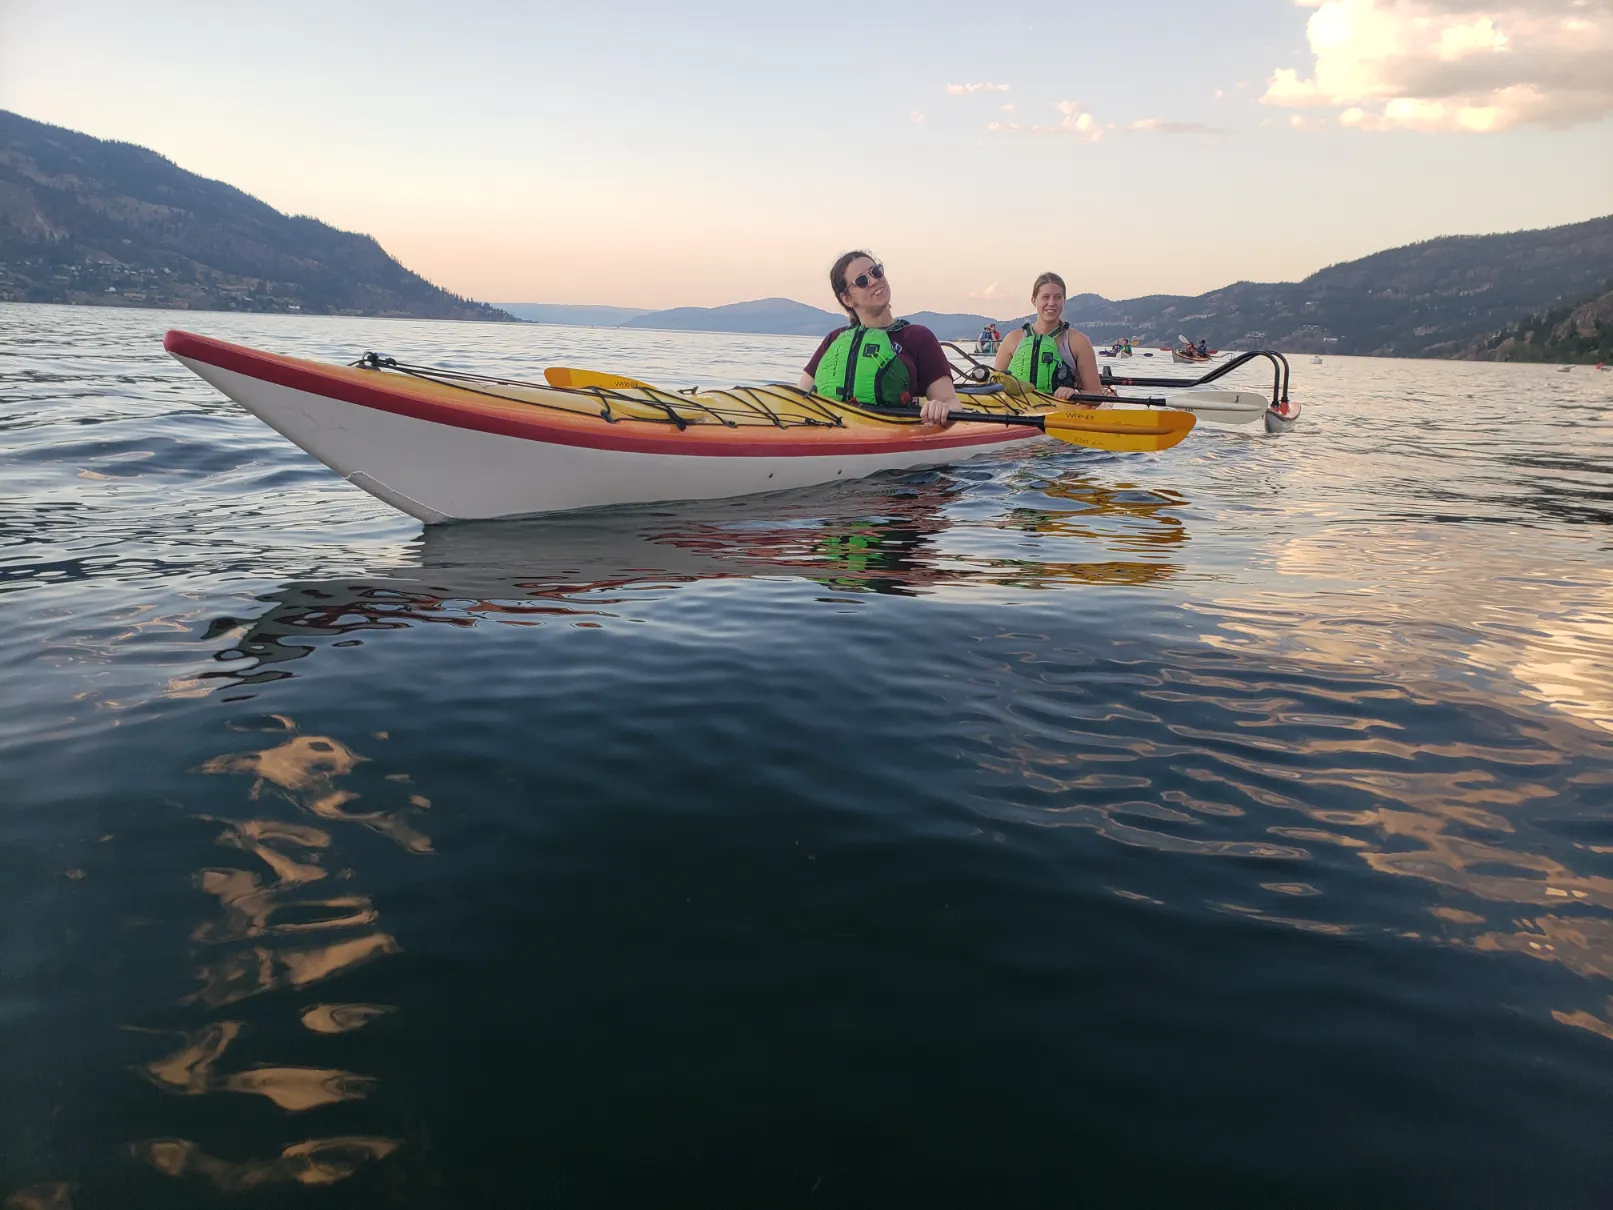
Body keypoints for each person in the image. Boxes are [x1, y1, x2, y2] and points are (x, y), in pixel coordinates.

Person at [800, 251, 960, 426]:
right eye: (862, 281)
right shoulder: (834, 339)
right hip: (835, 430)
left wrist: (941, 408)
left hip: (898, 435)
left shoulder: (918, 337)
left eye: (876, 272)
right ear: (847, 299)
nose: (875, 280)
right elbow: (799, 397)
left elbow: (951, 402)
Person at [992, 272, 1112, 401]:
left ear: (1063, 301)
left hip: (1061, 412)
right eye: (1045, 297)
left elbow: (1096, 394)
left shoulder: (1078, 342)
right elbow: (992, 387)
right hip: (1017, 410)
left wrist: (1074, 392)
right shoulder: (1012, 340)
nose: (1051, 303)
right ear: (1033, 300)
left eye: (1057, 297)